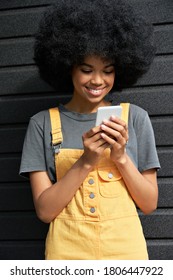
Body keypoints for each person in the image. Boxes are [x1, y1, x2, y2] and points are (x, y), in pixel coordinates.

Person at [20, 0, 160, 260]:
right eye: (86, 70)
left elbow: (149, 204)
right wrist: (85, 161)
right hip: (67, 255)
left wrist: (120, 158)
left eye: (107, 71)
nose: (98, 80)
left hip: (125, 255)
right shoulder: (42, 124)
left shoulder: (136, 118)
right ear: (67, 66)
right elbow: (45, 211)